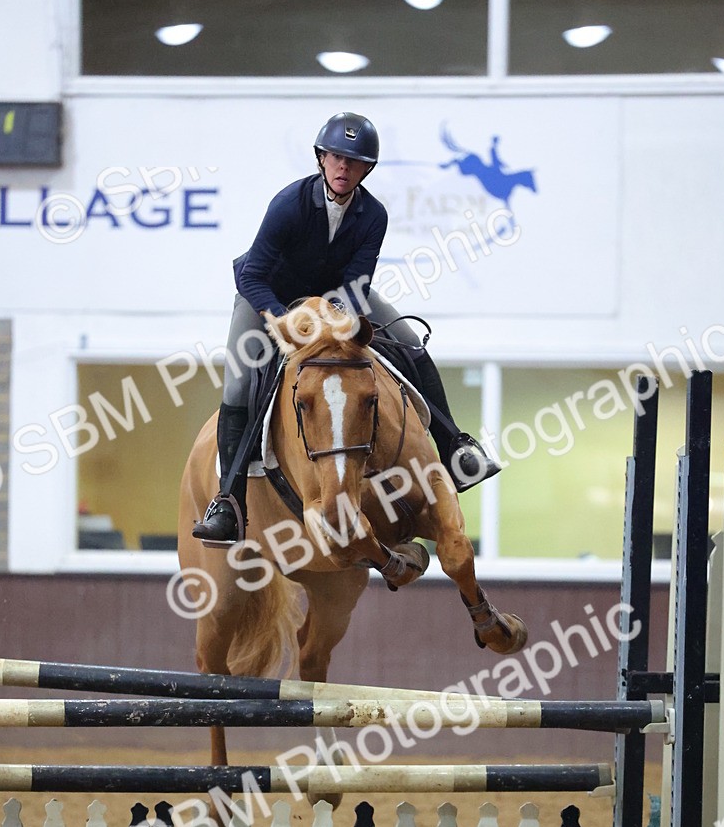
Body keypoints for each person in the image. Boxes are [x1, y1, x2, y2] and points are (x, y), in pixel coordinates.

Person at [193, 111, 501, 544]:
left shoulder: (373, 214)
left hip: (338, 294)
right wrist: (283, 319)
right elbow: (253, 275)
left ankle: (454, 446)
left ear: (366, 170)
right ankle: (228, 503)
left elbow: (358, 282)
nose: (343, 168)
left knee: (410, 342)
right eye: (336, 158)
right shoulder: (289, 204)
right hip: (268, 294)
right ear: (321, 159)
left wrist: (333, 316)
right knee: (240, 382)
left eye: (354, 162)